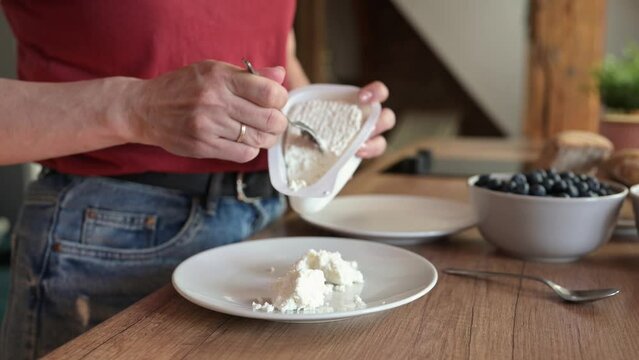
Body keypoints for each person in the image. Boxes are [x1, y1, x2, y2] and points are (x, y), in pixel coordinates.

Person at [0, 1, 395, 358]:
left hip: (268, 229)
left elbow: (278, 51)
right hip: (112, 242)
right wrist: (136, 108)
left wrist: (333, 123)